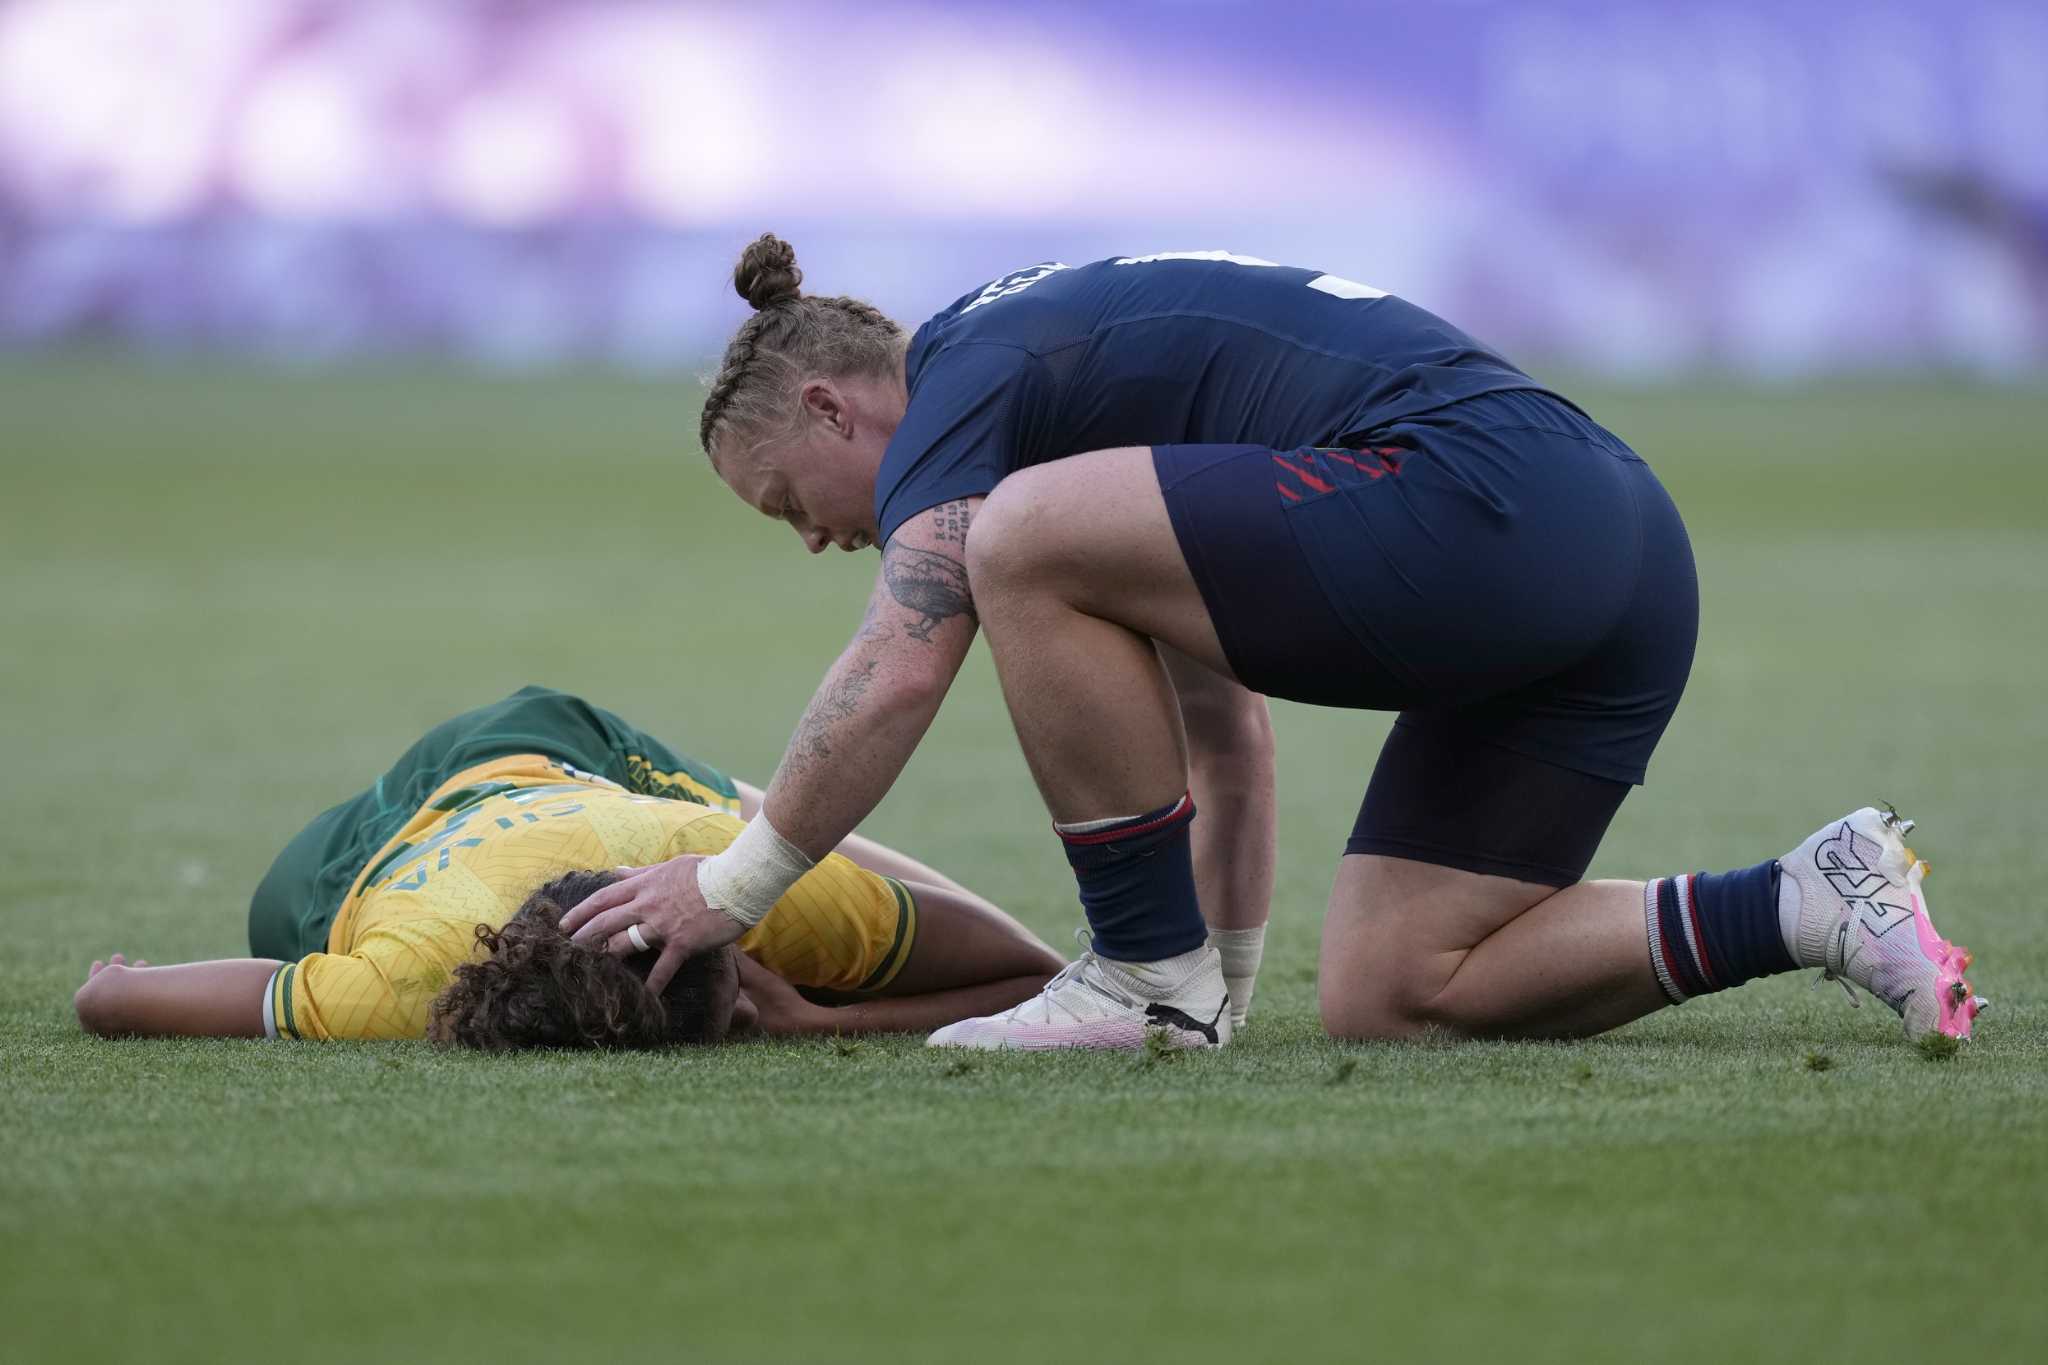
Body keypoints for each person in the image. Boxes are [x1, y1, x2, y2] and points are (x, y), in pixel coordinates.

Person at [563, 239, 1986, 1052]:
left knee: (1005, 546)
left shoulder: (960, 382)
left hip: (1490, 499)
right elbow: (1222, 727)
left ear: (829, 409)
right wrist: (1223, 983)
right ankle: (1809, 897)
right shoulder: (1069, 416)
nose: (814, 538)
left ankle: (1135, 978)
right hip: (1611, 547)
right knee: (1398, 991)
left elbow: (908, 652)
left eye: (786, 508)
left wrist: (738, 883)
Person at [74, 686, 1062, 1046]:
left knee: (768, 826)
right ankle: (741, 803)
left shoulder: (725, 879)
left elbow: (1042, 982)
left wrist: (815, 1012)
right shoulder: (408, 979)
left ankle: (745, 805)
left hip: (482, 774)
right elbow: (1031, 976)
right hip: (409, 825)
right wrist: (824, 1017)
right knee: (277, 927)